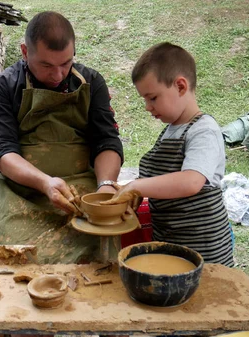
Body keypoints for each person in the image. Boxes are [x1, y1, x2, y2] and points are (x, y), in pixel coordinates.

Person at [0, 11, 124, 264]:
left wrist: (105, 186)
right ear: (25, 52)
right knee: (20, 262)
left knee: (97, 262)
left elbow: (107, 141)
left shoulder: (91, 82)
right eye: (46, 65)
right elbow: (2, 153)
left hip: (83, 193)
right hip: (21, 193)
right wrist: (45, 183)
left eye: (66, 63)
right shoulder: (2, 87)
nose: (58, 75)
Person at [103, 42, 234, 267]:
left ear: (181, 86)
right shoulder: (171, 130)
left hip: (204, 250)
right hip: (172, 242)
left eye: (152, 98)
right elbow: (162, 182)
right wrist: (129, 192)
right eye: (145, 99)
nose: (147, 106)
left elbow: (191, 181)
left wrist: (137, 186)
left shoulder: (204, 130)